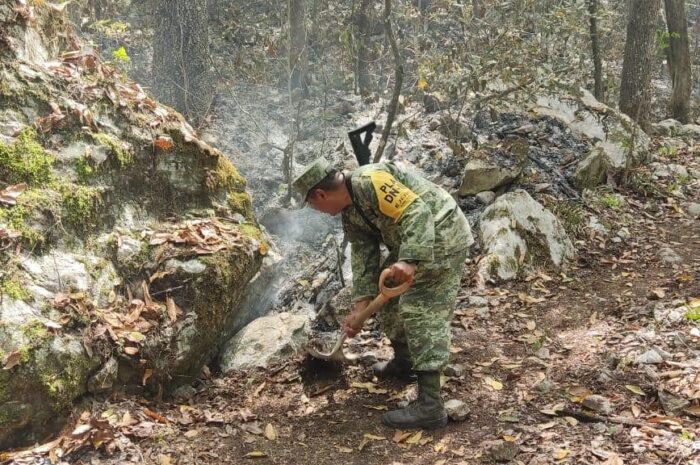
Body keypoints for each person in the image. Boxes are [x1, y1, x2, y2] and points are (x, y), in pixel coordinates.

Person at [292, 157, 474, 430]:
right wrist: (361, 304)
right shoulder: (349, 211)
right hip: (411, 245)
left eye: (313, 204)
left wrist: (410, 260)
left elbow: (417, 212)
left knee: (420, 310)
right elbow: (363, 252)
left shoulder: (371, 181)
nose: (316, 210)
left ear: (320, 194)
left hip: (442, 234)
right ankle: (405, 363)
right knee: (388, 302)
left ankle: (431, 405)